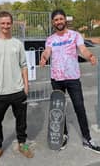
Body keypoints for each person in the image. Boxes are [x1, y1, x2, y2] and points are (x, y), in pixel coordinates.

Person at [40, 9, 100, 153]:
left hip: (72, 78)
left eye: (61, 19)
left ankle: (87, 139)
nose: (59, 22)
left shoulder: (75, 35)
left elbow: (83, 49)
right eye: (56, 20)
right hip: (57, 78)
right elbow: (48, 51)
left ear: (65, 20)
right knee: (59, 109)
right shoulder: (50, 39)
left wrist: (89, 56)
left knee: (79, 107)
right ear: (53, 22)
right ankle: (62, 135)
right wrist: (44, 56)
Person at [0, 11, 34, 166]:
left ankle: (22, 144)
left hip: (18, 91)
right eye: (3, 23)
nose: (5, 26)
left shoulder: (18, 44)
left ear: (12, 24)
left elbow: (24, 66)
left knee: (22, 122)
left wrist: (26, 85)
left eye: (8, 23)